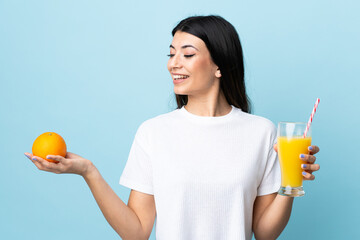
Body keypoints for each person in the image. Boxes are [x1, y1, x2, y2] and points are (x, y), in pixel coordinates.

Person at [24, 15, 320, 240]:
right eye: (171, 54)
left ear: (219, 65)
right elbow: (137, 231)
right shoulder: (154, 132)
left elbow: (265, 232)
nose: (173, 64)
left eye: (187, 54)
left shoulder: (262, 132)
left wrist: (290, 183)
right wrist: (88, 171)